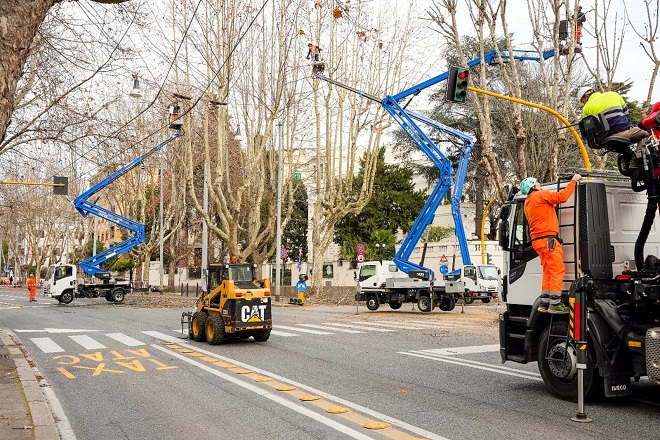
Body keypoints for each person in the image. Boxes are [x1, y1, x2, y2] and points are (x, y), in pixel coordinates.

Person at [520, 173, 582, 314]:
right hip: (549, 241)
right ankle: (555, 304)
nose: (539, 184)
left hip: (538, 242)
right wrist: (573, 180)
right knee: (557, 271)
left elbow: (546, 209)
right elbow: (562, 197)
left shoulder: (528, 202)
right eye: (537, 183)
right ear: (533, 186)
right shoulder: (540, 195)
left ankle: (545, 302)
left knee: (547, 271)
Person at [577, 87, 648, 145]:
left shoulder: (585, 109)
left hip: (605, 138)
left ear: (586, 97)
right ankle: (642, 160)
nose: (584, 104)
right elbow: (626, 113)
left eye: (583, 101)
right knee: (648, 134)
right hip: (624, 132)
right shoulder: (614, 95)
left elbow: (589, 130)